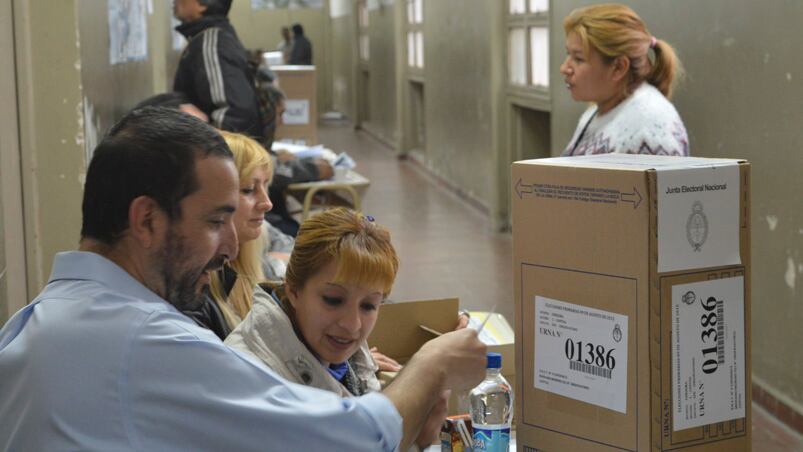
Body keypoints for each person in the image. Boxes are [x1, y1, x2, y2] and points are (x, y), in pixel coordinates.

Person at [0, 107, 487, 451]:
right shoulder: (145, 343)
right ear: (147, 221)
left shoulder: (33, 324)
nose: (232, 248)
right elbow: (353, 439)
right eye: (215, 223)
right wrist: (432, 364)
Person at [225, 207, 444, 449]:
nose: (352, 324)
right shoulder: (252, 382)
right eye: (333, 300)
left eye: (369, 305)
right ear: (294, 291)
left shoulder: (338, 359)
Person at [559, 3, 689, 156]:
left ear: (619, 67)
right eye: (569, 55)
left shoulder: (648, 128)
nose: (564, 68)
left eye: (578, 59)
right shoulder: (599, 110)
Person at [173, 0, 262, 137]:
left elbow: (233, 115)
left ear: (203, 5)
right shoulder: (211, 37)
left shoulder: (211, 42)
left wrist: (203, 154)